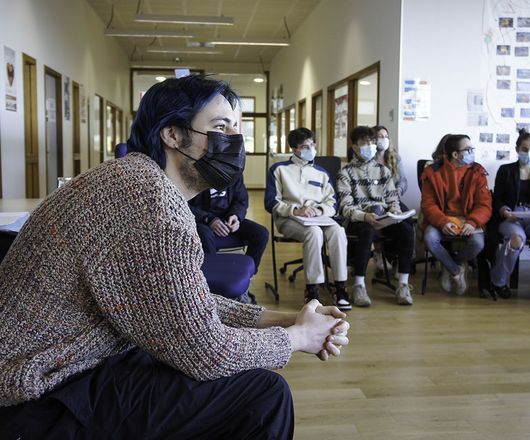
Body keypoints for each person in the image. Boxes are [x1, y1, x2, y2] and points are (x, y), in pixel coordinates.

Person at [0, 76, 350, 439]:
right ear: (172, 135)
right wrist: (297, 338)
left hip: (71, 364)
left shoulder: (136, 179)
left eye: (235, 127)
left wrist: (284, 318)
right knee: (262, 396)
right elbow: (206, 351)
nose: (233, 140)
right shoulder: (149, 205)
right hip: (35, 395)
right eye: (219, 127)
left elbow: (179, 303)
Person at [265, 127, 351, 311]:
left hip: (320, 218)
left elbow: (332, 202)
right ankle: (313, 289)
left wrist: (320, 209)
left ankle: (340, 286)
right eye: (305, 146)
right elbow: (270, 202)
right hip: (290, 218)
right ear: (294, 149)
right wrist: (296, 210)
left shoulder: (322, 172)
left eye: (312, 145)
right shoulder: (279, 170)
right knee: (314, 233)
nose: (310, 149)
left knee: (338, 231)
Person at [337, 126, 415, 307]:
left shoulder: (383, 171)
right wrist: (364, 216)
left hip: (383, 217)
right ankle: (359, 285)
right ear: (355, 147)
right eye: (365, 143)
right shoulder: (345, 173)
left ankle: (403, 284)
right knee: (367, 231)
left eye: (373, 143)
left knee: (406, 228)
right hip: (359, 219)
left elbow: (392, 199)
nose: (371, 146)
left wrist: (395, 212)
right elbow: (345, 207)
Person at [420, 134, 492, 295]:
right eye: (468, 149)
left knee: (478, 243)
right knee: (430, 238)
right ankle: (455, 270)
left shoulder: (477, 171)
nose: (472, 152)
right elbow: (428, 204)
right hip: (443, 218)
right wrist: (443, 222)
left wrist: (473, 222)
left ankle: (451, 265)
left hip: (469, 219)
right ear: (455, 155)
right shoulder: (432, 172)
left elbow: (485, 204)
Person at [188, 174, 269, 276]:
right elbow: (185, 204)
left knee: (261, 233)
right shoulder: (194, 172)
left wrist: (236, 216)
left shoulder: (234, 172)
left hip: (228, 218)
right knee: (204, 235)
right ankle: (213, 277)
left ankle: (247, 274)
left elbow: (241, 200)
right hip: (203, 220)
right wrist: (209, 219)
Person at [488, 129, 530, 298]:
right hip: (511, 216)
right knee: (516, 241)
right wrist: (505, 211)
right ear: (517, 149)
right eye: (525, 149)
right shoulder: (505, 170)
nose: (528, 153)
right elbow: (496, 198)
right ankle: (499, 282)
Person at [372, 125, 409, 272]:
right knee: (377, 217)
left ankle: (400, 259)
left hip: (393, 199)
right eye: (380, 136)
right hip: (375, 200)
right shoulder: (368, 158)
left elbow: (403, 181)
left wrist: (399, 190)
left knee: (405, 219)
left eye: (385, 136)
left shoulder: (395, 157)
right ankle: (379, 253)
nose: (383, 139)